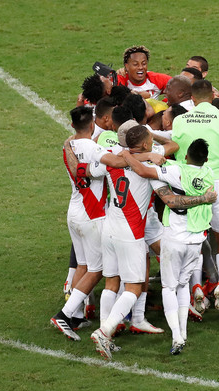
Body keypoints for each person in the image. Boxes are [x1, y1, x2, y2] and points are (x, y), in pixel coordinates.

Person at [89, 126, 217, 359]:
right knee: (134, 287)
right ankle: (104, 330)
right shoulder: (149, 166)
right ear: (147, 144)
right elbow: (168, 192)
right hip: (131, 231)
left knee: (111, 282)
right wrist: (148, 156)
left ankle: (106, 335)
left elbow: (99, 166)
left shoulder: (112, 156)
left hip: (109, 227)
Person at [51, 106, 158, 341]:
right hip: (94, 215)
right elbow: (117, 163)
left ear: (72, 126)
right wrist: (148, 155)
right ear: (92, 124)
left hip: (74, 211)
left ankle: (78, 315)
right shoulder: (94, 148)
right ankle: (66, 314)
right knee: (97, 270)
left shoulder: (68, 145)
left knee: (85, 265)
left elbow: (82, 170)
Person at [123, 138, 214, 355]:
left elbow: (144, 171)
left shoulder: (176, 170)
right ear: (206, 159)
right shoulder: (210, 173)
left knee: (168, 287)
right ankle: (182, 332)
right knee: (183, 286)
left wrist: (127, 155)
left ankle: (176, 336)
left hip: (174, 239)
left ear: (185, 157)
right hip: (196, 241)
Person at [171, 79, 219, 312]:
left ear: (192, 98)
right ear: (212, 97)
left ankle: (196, 288)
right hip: (218, 182)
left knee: (195, 237)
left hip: (190, 182)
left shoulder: (180, 119)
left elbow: (175, 149)